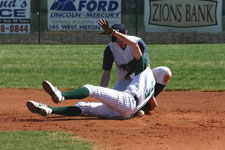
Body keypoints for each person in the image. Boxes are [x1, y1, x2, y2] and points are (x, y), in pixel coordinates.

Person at [26, 19, 156, 119]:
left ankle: (61, 95)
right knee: (85, 107)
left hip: (127, 101)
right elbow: (154, 104)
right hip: (125, 113)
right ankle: (49, 109)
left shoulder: (143, 69)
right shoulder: (149, 79)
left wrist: (113, 32)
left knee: (92, 89)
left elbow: (133, 44)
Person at [99, 19, 172, 114]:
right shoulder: (110, 48)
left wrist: (150, 94)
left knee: (165, 72)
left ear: (126, 33)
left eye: (121, 40)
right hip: (124, 82)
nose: (119, 43)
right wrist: (101, 92)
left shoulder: (137, 42)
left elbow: (147, 67)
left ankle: (145, 105)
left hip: (142, 78)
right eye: (116, 41)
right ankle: (139, 108)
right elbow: (106, 74)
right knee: (112, 107)